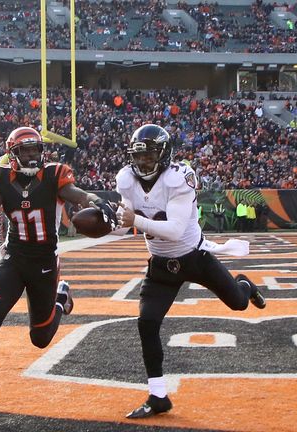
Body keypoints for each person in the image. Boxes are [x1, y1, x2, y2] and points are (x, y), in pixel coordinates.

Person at [0, 126, 116, 421]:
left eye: (35, 149)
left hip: (44, 264)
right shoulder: (0, 176)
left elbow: (76, 194)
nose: (31, 155)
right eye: (25, 150)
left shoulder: (55, 174)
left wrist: (94, 199)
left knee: (39, 339)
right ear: (12, 154)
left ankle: (59, 299)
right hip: (14, 259)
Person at [113, 124, 266, 419]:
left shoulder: (178, 179)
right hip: (160, 264)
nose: (142, 163)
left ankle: (245, 285)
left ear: (165, 155)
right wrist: (108, 222)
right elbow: (124, 224)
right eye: (139, 156)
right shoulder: (126, 178)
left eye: (149, 156)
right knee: (147, 323)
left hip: (195, 256)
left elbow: (174, 230)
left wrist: (133, 221)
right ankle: (158, 396)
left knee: (238, 303)